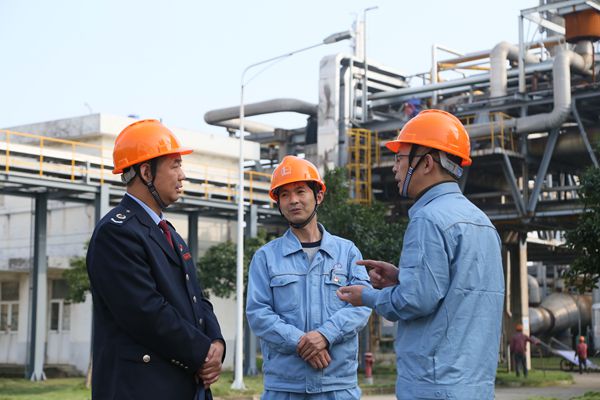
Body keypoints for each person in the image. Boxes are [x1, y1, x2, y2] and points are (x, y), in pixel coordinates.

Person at [336, 109, 505, 400]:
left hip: (433, 384)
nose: (395, 168)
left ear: (426, 163)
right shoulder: (482, 222)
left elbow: (415, 301)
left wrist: (368, 296)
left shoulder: (428, 219)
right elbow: (457, 291)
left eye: (400, 158)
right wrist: (403, 277)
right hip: (475, 385)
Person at [86, 119, 225, 400]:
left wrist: (216, 343)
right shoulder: (117, 232)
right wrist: (201, 352)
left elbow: (197, 298)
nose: (182, 175)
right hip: (141, 388)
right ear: (147, 172)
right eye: (175, 166)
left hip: (183, 385)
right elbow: (146, 312)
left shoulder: (167, 232)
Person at [246, 155, 372, 400]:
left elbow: (362, 304)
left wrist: (325, 335)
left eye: (300, 191)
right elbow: (258, 314)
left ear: (319, 196)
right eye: (284, 194)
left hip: (337, 386)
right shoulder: (266, 257)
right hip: (285, 387)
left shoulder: (347, 252)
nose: (293, 200)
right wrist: (301, 343)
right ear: (278, 203)